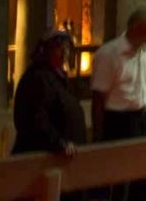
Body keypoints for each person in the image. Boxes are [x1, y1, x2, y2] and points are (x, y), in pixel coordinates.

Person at [91, 8, 146, 201]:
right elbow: (98, 97)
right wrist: (98, 136)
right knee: (119, 180)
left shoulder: (145, 50)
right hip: (120, 121)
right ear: (135, 29)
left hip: (145, 117)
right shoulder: (109, 54)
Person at [13, 30, 87, 200]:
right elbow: (36, 120)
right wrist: (59, 143)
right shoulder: (37, 79)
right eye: (58, 48)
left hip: (64, 163)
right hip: (45, 161)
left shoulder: (56, 78)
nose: (64, 53)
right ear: (45, 51)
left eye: (66, 48)